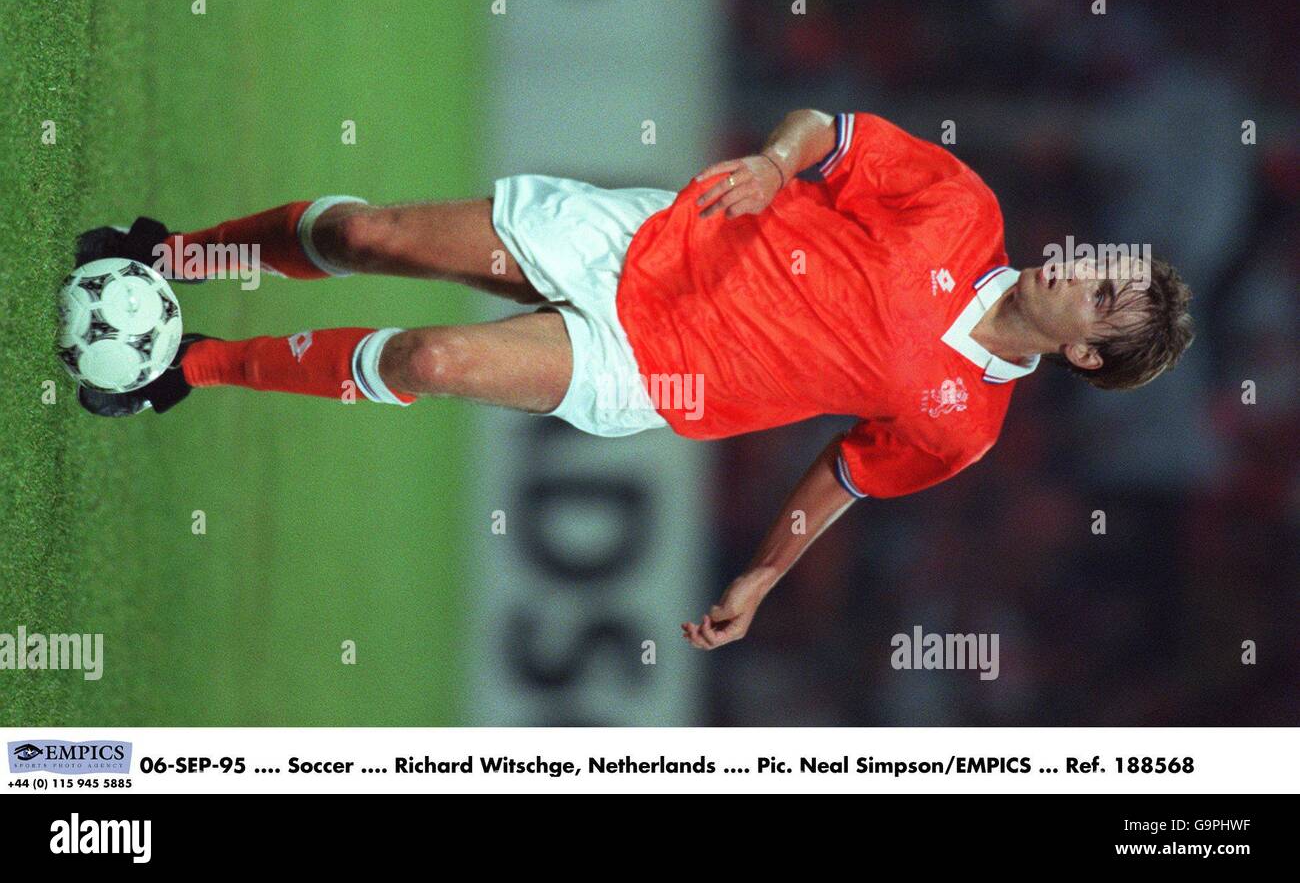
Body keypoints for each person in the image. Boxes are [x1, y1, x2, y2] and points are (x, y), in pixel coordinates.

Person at [72, 109, 1194, 650]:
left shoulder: (967, 427)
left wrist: (760, 576)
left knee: (435, 359)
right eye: (1105, 261)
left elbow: (846, 474)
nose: (1082, 269)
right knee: (376, 234)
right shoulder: (962, 206)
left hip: (655, 371)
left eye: (1103, 294)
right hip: (644, 240)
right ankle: (170, 256)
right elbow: (833, 130)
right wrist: (771, 160)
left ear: (1086, 355)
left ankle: (186, 366)